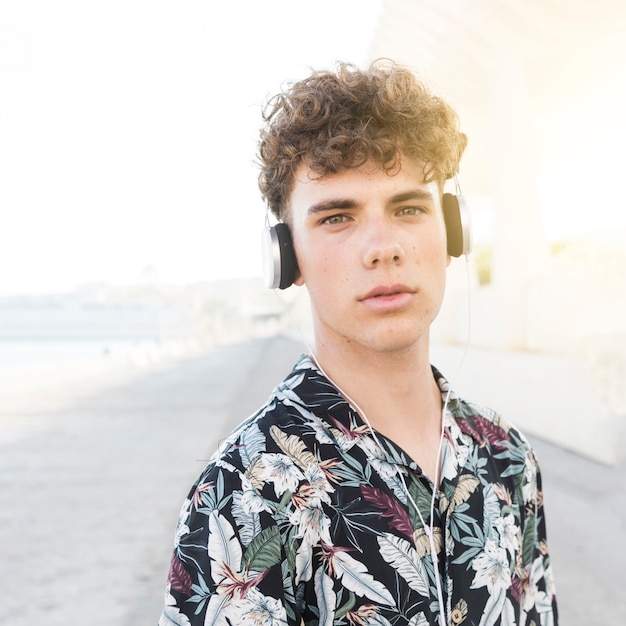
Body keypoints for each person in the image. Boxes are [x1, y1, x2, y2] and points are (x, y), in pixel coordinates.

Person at [159, 60, 558, 626]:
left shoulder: (507, 457)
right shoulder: (245, 488)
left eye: (409, 208)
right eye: (338, 218)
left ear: (452, 231)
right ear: (287, 257)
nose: (383, 247)